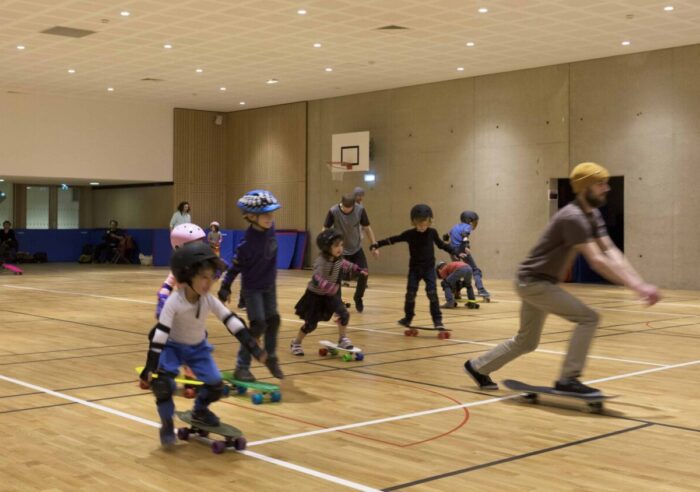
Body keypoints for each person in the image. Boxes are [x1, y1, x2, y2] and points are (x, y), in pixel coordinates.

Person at [464, 162, 661, 395]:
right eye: (600, 184)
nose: (606, 188)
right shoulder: (573, 217)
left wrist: (638, 282)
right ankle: (569, 378)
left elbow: (611, 251)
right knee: (589, 318)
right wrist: (637, 287)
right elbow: (597, 259)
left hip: (537, 282)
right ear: (585, 186)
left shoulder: (592, 215)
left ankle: (478, 366)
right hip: (534, 282)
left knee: (527, 341)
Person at [139, 242, 273, 447]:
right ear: (188, 275)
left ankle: (200, 410)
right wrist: (151, 365)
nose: (208, 282)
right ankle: (167, 423)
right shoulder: (174, 301)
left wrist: (252, 346)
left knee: (216, 387)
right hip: (172, 347)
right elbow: (160, 333)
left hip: (198, 348)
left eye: (211, 277)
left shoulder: (207, 300)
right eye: (203, 276)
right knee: (164, 386)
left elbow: (231, 320)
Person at [217, 190, 284, 381]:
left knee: (274, 321)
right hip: (252, 289)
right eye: (265, 215)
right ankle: (242, 367)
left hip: (269, 285)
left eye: (271, 214)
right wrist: (225, 286)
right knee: (258, 326)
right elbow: (234, 268)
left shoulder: (270, 228)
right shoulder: (247, 244)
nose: (270, 218)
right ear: (250, 216)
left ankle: (271, 358)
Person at [370, 204, 459, 330]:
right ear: (413, 222)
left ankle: (438, 320)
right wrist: (376, 244)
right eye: (419, 224)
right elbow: (393, 239)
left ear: (429, 221)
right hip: (414, 270)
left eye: (425, 223)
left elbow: (441, 245)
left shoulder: (432, 233)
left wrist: (454, 251)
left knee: (432, 293)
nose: (422, 226)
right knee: (410, 294)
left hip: (428, 269)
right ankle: (408, 318)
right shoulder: (409, 234)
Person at [290, 229, 367, 356]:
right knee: (310, 324)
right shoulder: (321, 262)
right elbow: (316, 278)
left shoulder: (338, 259)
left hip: (330, 296)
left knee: (344, 314)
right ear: (326, 247)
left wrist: (359, 269)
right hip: (315, 296)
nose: (340, 248)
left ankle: (342, 339)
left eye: (341, 245)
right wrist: (328, 287)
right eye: (336, 245)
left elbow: (347, 264)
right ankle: (296, 342)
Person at [323, 193, 379, 312]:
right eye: (345, 207)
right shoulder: (333, 211)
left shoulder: (360, 210)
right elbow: (325, 229)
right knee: (336, 277)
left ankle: (358, 298)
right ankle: (338, 303)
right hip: (340, 250)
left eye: (350, 208)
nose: (347, 210)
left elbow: (367, 228)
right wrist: (326, 247)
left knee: (364, 273)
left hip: (356, 249)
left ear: (354, 205)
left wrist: (374, 245)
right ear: (341, 204)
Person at [155, 223, 207, 319]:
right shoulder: (180, 268)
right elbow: (167, 285)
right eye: (196, 245)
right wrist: (162, 300)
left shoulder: (201, 264)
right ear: (180, 247)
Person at [446, 211, 490, 301]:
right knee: (475, 270)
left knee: (457, 272)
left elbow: (445, 237)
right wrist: (466, 246)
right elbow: (465, 235)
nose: (475, 224)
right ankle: (481, 290)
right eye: (474, 222)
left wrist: (451, 248)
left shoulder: (454, 227)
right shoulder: (467, 226)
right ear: (469, 220)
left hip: (453, 251)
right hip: (462, 249)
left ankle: (456, 292)